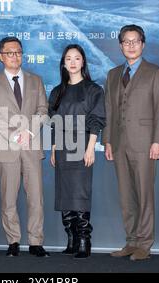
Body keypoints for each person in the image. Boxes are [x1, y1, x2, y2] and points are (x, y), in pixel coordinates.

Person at [102, 24, 159, 261]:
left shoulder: (155, 72)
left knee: (144, 195)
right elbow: (109, 110)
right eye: (126, 42)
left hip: (145, 144)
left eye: (135, 41)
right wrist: (107, 141)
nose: (131, 45)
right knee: (126, 196)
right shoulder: (112, 74)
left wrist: (157, 141)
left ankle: (144, 244)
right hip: (118, 144)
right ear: (120, 45)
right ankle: (130, 241)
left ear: (143, 44)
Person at [0, 36, 49, 257]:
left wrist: (28, 132)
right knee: (8, 198)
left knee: (36, 197)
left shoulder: (36, 80)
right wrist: (13, 135)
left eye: (18, 52)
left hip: (31, 145)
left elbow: (42, 110)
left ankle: (36, 242)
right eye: (9, 52)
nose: (14, 56)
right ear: (0, 56)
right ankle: (13, 241)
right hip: (6, 146)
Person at [48, 44, 105, 258]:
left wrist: (90, 147)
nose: (72, 62)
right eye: (68, 58)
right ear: (63, 63)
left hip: (82, 145)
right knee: (64, 192)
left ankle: (84, 240)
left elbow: (96, 119)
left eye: (77, 58)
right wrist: (54, 148)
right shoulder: (57, 91)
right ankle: (71, 238)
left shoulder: (93, 90)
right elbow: (54, 122)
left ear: (83, 62)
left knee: (80, 191)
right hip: (62, 145)